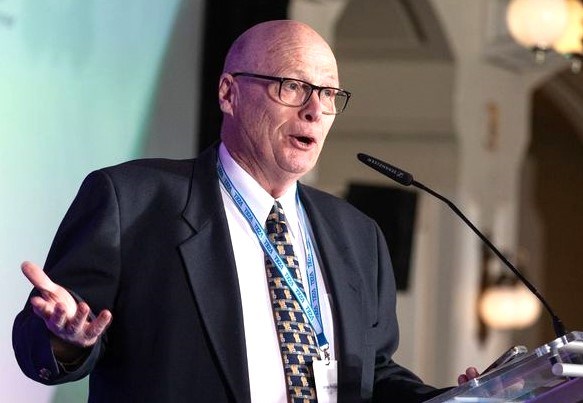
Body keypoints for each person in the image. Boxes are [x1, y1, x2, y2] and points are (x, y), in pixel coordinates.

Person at [13, 19, 478, 402]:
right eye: (293, 86)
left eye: (330, 94)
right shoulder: (131, 200)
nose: (315, 110)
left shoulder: (358, 235)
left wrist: (458, 399)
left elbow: (372, 372)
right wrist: (65, 340)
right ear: (228, 93)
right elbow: (49, 336)